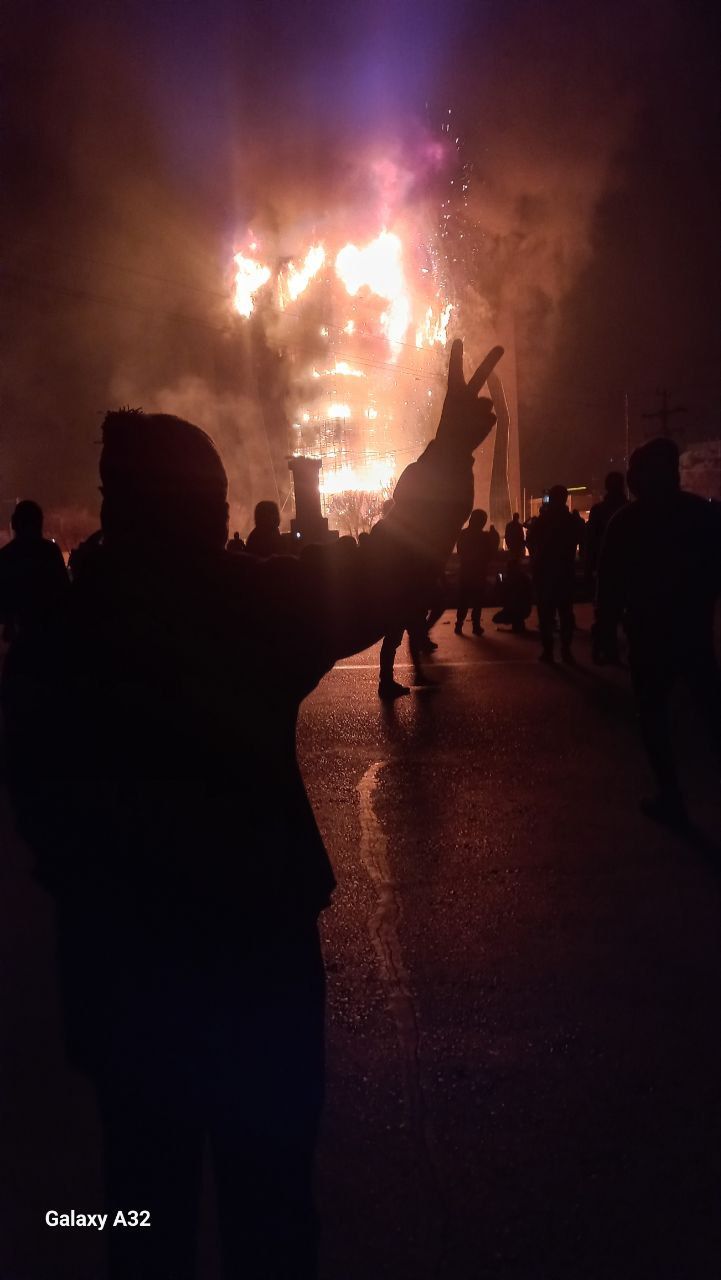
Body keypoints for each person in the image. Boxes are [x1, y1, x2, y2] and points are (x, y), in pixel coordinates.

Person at [1, 340, 502, 1279]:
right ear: (204, 512)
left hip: (126, 980)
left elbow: (36, 803)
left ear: (114, 508)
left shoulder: (61, 637)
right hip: (254, 966)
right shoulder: (245, 612)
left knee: (136, 1216)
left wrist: (97, 897)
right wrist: (447, 448)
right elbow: (389, 566)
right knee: (269, 1212)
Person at [596, 437, 720, 827]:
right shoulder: (701, 515)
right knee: (711, 712)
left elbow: (610, 584)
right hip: (694, 632)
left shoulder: (627, 522)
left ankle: (671, 797)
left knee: (654, 718)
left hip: (650, 638)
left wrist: (604, 631)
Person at [0, 499, 68, 641]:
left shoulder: (7, 555)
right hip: (51, 635)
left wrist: (9, 622)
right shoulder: (50, 552)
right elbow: (64, 592)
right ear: (40, 523)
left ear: (14, 523)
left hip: (22, 636)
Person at [532, 485, 580, 664]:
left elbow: (532, 542)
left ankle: (548, 651)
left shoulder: (543, 520)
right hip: (565, 572)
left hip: (545, 573)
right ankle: (566, 650)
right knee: (566, 614)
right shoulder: (571, 520)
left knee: (546, 615)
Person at [586, 472, 627, 663]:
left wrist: (590, 568)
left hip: (606, 570)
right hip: (629, 571)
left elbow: (590, 542)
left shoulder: (599, 511)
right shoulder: (630, 510)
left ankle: (607, 649)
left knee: (606, 613)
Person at [455, 509, 494, 635]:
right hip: (478, 573)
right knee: (477, 601)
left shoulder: (463, 534)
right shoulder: (484, 537)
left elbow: (460, 551)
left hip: (466, 572)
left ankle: (459, 625)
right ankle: (475, 626)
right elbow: (489, 555)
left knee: (463, 600)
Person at [493, 557, 533, 632]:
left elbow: (500, 591)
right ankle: (518, 622)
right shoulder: (524, 577)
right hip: (525, 609)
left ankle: (516, 621)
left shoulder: (511, 578)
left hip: (516, 608)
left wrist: (499, 582)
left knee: (497, 618)